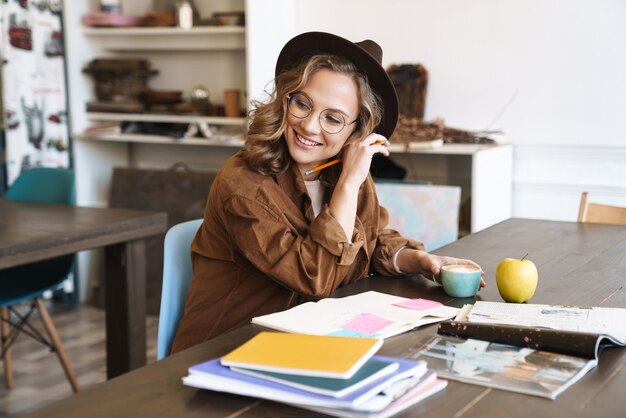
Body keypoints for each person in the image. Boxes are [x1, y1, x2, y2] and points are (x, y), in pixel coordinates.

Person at [171, 32, 485, 353]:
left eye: (333, 118)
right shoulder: (242, 184)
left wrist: (418, 260)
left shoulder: (342, 170)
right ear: (285, 99)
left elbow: (371, 239)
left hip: (302, 343)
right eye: (302, 104)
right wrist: (349, 185)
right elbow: (314, 279)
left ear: (357, 129)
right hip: (226, 351)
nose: (309, 126)